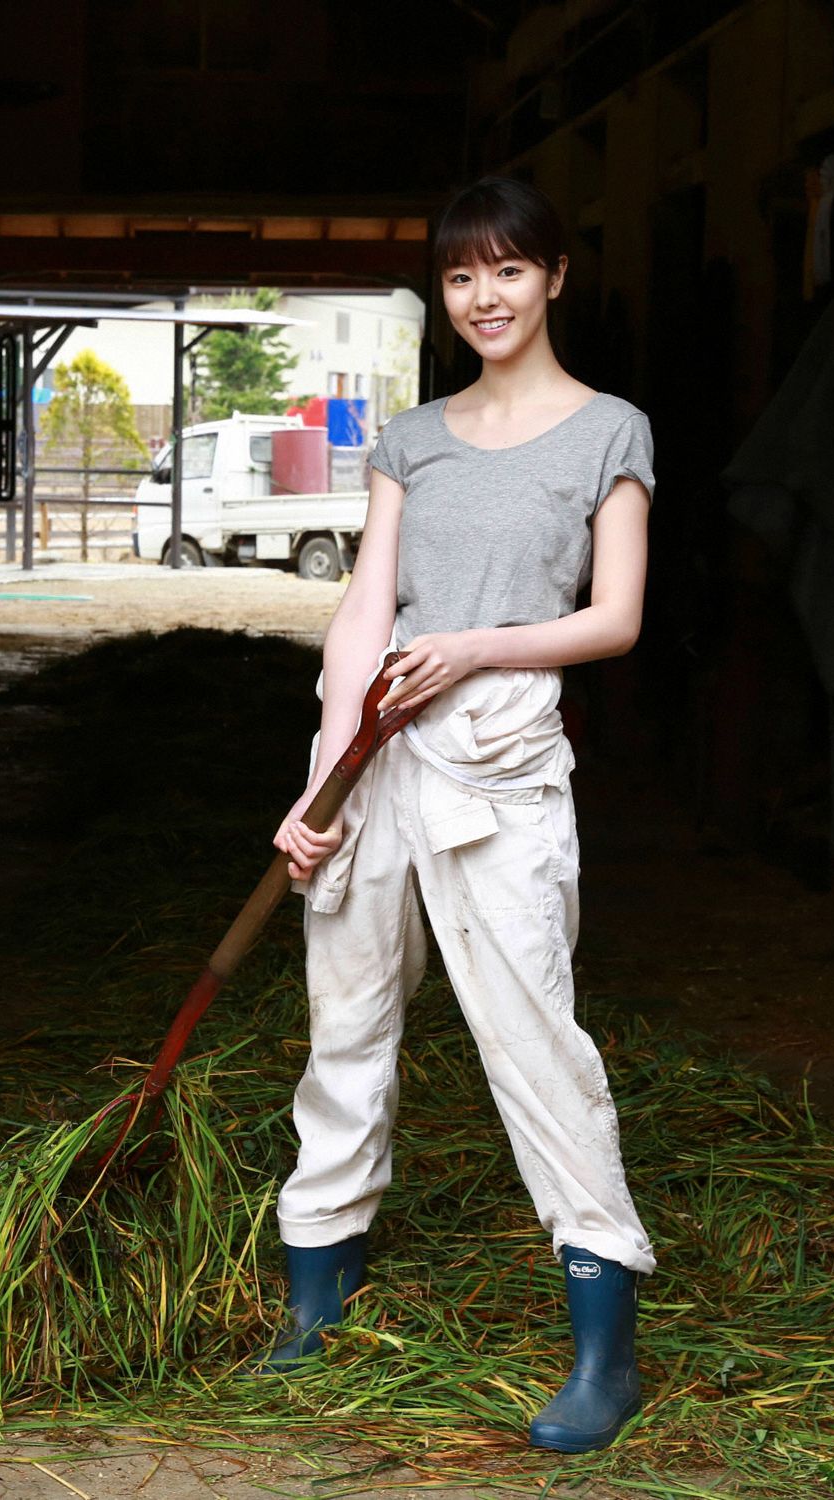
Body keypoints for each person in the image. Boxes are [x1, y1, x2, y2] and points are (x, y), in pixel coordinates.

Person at [263, 176, 658, 1455]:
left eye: (508, 271)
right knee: (346, 1030)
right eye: (460, 277)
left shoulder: (609, 432)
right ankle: (321, 1291)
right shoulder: (412, 438)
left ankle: (604, 1348)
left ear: (554, 278)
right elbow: (366, 613)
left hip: (500, 758)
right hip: (377, 748)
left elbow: (614, 618)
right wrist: (319, 784)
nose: (484, 297)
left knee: (536, 1037)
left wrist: (478, 647)